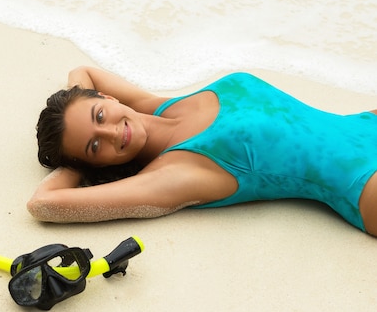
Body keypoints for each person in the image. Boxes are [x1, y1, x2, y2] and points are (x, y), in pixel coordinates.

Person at [27, 66, 377, 236]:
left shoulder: (164, 105)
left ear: (107, 98)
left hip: (364, 123)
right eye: (95, 146)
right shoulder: (175, 174)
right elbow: (44, 204)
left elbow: (83, 71)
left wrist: (78, 129)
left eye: (100, 116)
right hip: (363, 184)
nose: (111, 132)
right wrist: (79, 166)